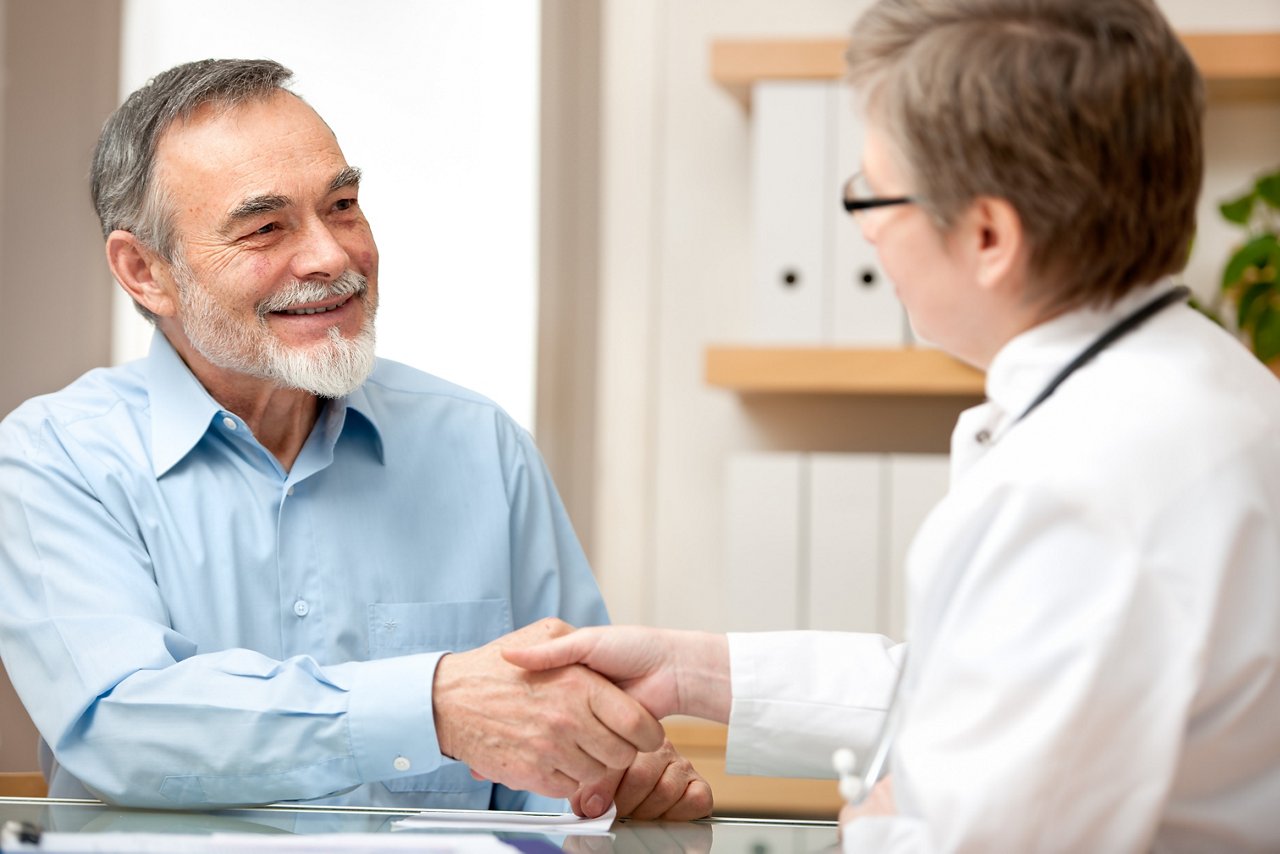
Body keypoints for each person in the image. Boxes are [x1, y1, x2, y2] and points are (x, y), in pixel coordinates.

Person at [505, 0, 1280, 849]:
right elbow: (1006, 691)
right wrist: (691, 671)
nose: (867, 229)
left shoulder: (1085, 485)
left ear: (988, 235)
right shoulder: (1202, 386)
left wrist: (883, 824)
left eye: (873, 193)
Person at [0, 58, 710, 820]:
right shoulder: (54, 459)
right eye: (266, 227)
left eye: (342, 205)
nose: (333, 257)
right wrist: (431, 706)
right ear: (144, 271)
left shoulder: (480, 444)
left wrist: (614, 790)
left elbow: (561, 763)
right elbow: (121, 726)